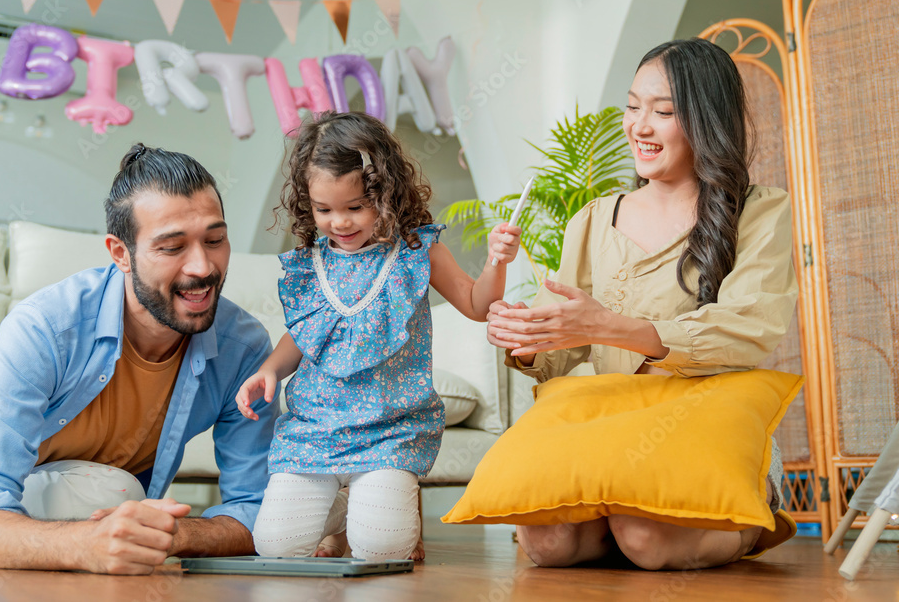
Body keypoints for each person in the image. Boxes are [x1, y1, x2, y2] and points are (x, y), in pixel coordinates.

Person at [486, 38, 798, 570]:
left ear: (707, 120)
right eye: (633, 107)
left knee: (647, 540)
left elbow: (749, 327)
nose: (639, 126)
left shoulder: (759, 211)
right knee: (547, 544)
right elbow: (560, 348)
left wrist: (611, 326)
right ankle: (621, 514)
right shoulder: (593, 217)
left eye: (664, 112)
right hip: (612, 425)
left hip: (699, 424)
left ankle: (751, 510)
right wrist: (527, 336)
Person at [0, 144, 279, 574]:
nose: (203, 266)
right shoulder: (46, 327)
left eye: (215, 240)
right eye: (172, 248)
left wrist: (180, 535)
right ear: (120, 254)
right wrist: (85, 545)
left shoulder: (242, 349)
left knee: (117, 495)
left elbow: (260, 511)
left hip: (51, 482)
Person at [235, 111, 521, 562]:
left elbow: (477, 306)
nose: (340, 223)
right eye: (324, 210)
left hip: (389, 431)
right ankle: (345, 506)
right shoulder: (310, 263)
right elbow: (306, 336)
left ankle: (369, 506)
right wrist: (269, 370)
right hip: (317, 429)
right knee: (275, 548)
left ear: (386, 194)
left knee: (383, 550)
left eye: (355, 208)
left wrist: (497, 263)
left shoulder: (416, 250)